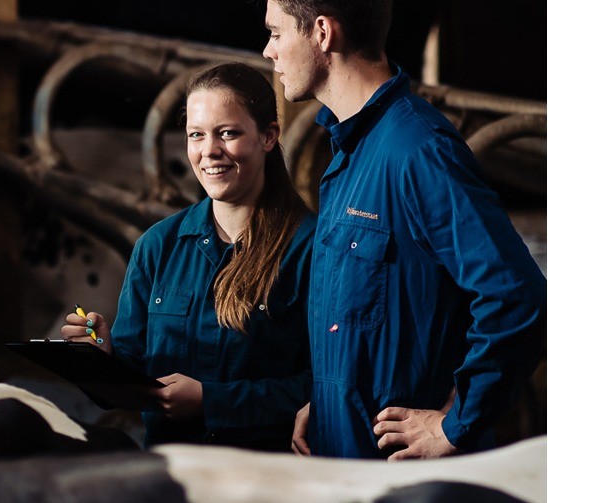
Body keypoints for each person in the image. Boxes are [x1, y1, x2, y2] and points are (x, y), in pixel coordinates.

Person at [261, 0, 546, 460]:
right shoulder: (349, 151)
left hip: (402, 477)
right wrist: (329, 400)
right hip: (346, 459)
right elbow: (367, 315)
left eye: (276, 33)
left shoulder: (418, 151)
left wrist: (454, 426)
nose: (267, 51)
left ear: (321, 33)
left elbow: (517, 297)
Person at [61, 62, 316, 452]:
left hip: (266, 475)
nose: (209, 151)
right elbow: (133, 370)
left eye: (227, 133)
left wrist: (211, 401)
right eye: (196, 135)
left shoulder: (310, 247)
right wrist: (101, 356)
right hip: (172, 472)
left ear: (268, 137)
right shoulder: (157, 246)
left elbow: (324, 385)